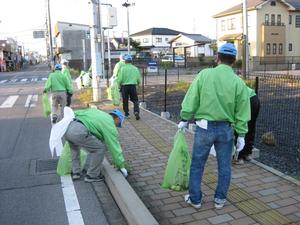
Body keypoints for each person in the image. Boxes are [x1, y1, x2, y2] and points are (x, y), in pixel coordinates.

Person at [178, 43, 250, 210]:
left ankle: (195, 199)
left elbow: (192, 98)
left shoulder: (205, 75)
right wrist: (242, 135)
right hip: (226, 129)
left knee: (197, 164)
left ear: (217, 57)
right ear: (234, 61)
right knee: (224, 166)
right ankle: (220, 199)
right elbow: (242, 111)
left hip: (204, 127)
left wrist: (185, 118)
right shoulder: (238, 82)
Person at [64, 108, 128, 182]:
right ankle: (92, 175)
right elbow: (114, 147)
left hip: (68, 128)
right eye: (118, 123)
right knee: (100, 149)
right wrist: (121, 165)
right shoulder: (109, 123)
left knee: (75, 150)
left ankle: (76, 172)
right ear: (117, 118)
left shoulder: (98, 113)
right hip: (79, 131)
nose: (117, 126)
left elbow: (76, 113)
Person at [234, 86, 260, 164]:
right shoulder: (233, 80)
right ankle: (247, 153)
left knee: (239, 127)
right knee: (251, 127)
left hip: (245, 101)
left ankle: (239, 157)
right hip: (254, 98)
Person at [117, 54, 141, 120]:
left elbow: (120, 79)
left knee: (125, 100)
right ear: (131, 61)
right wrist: (138, 84)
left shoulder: (122, 69)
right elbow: (138, 79)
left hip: (124, 87)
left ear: (125, 61)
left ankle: (127, 114)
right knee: (135, 100)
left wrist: (118, 86)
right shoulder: (135, 68)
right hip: (133, 86)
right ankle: (136, 111)